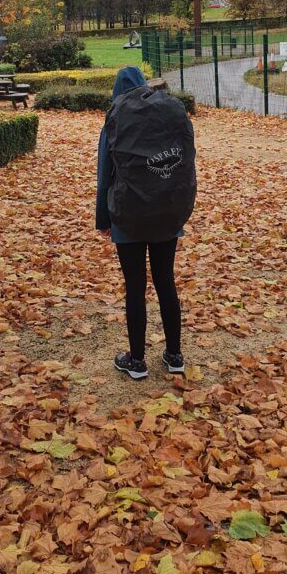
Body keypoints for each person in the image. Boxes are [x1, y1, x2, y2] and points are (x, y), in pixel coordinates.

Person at [96, 66, 195, 380]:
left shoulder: (114, 121)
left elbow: (104, 177)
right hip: (166, 211)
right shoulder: (167, 116)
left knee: (135, 288)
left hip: (128, 216)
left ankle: (137, 361)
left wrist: (104, 219)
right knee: (166, 282)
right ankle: (175, 356)